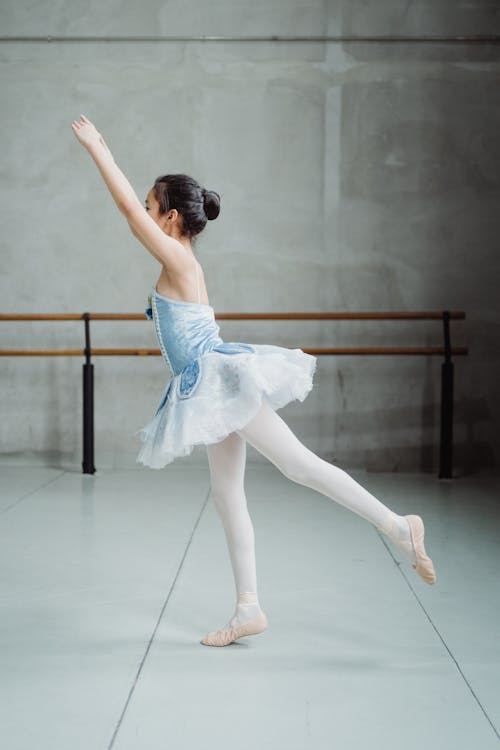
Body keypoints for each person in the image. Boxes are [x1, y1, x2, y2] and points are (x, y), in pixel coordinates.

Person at [71, 114, 437, 648]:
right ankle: (248, 609)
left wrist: (99, 148)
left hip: (218, 382)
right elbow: (138, 220)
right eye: (149, 207)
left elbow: (127, 211)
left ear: (170, 219)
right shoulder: (182, 261)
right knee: (227, 493)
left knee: (297, 465)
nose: (145, 214)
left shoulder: (177, 257)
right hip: (208, 389)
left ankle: (399, 526)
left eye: (153, 208)